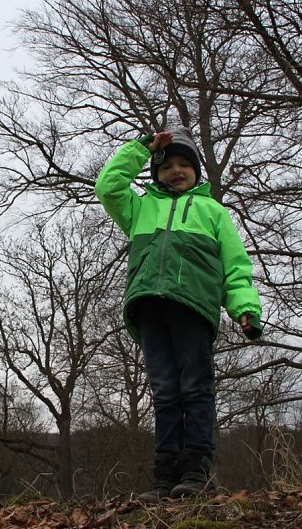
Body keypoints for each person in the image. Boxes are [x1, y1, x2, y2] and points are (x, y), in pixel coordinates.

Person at [95, 125, 262, 501]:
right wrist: (142, 148)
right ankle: (164, 476)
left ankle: (196, 470)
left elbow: (235, 267)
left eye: (186, 165)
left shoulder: (213, 212)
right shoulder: (140, 208)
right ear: (156, 172)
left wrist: (244, 308)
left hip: (194, 308)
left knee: (195, 389)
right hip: (149, 308)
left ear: (197, 172)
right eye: (168, 165)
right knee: (165, 392)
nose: (177, 171)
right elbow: (107, 186)